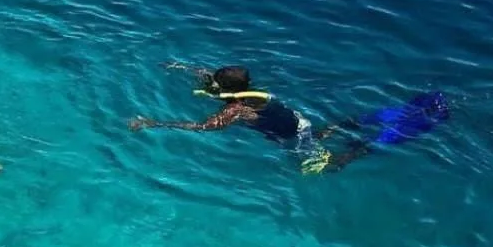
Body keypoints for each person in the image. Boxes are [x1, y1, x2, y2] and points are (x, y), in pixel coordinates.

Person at [129, 64, 366, 173]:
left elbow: (203, 127)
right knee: (313, 136)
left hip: (290, 134)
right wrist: (181, 67)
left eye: (214, 84)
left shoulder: (237, 109)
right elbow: (209, 74)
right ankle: (341, 125)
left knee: (320, 167)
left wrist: (154, 123)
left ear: (226, 89)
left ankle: (358, 151)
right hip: (296, 119)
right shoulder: (247, 90)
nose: (210, 83)